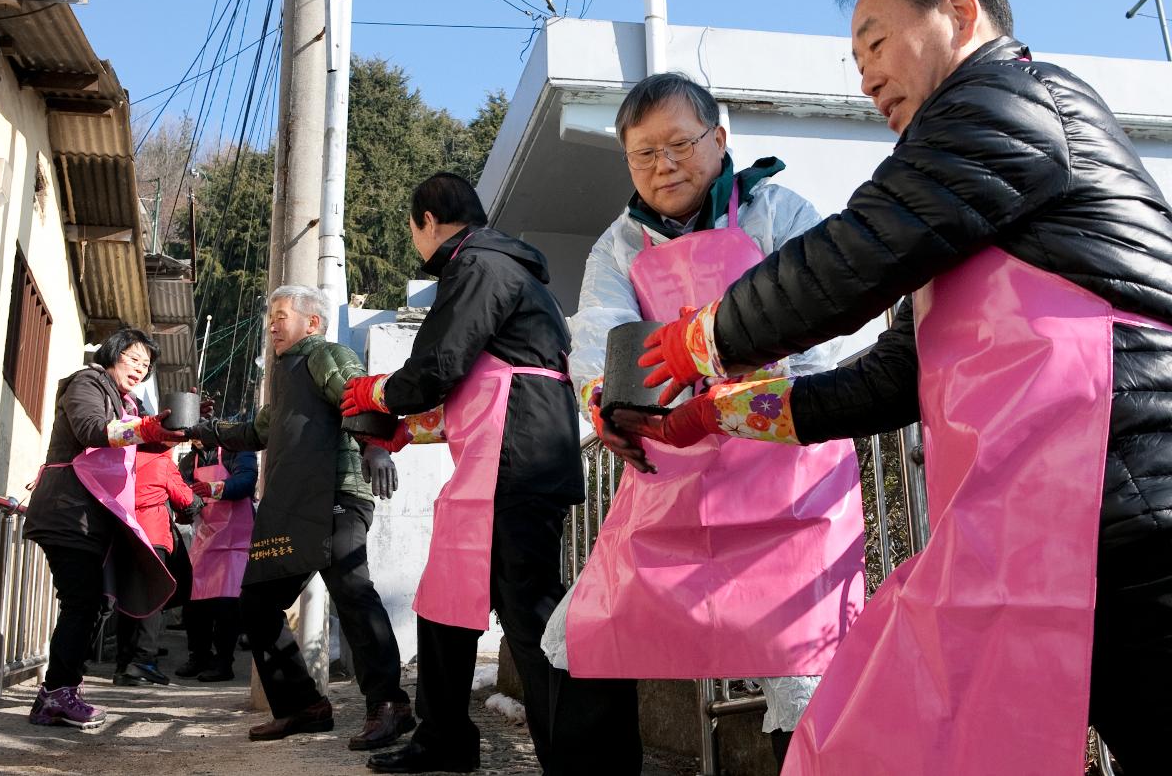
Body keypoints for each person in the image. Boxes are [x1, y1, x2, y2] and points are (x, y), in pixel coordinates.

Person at [626, 0, 1172, 776]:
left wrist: (705, 336)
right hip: (1069, 521)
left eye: (876, 42)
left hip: (1139, 498)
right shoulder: (971, 190)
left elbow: (859, 250)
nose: (866, 76)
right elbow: (894, 377)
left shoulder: (1008, 99)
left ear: (959, 12)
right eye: (856, 58)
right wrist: (723, 413)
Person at [560, 72, 865, 767]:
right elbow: (601, 333)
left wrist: (736, 387)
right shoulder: (617, 246)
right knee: (592, 631)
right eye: (644, 153)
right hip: (676, 470)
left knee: (810, 662)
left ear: (719, 139)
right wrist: (607, 403)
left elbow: (824, 315)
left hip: (789, 472)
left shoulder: (780, 211)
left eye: (679, 144)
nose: (663, 165)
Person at [342, 172, 643, 775]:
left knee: (532, 613)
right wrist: (413, 427)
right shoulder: (499, 267)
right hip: (506, 455)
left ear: (426, 220)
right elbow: (482, 385)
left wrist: (378, 391)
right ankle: (443, 738)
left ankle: (585, 761)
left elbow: (439, 366)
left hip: (515, 463)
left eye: (413, 229)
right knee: (443, 601)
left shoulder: (479, 267)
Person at [188, 286, 410, 750]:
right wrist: (200, 430)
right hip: (292, 507)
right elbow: (256, 430)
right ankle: (302, 706)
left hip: (336, 494)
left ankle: (389, 704)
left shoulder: (326, 354)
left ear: (311, 323)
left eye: (281, 315)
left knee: (351, 590)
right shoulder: (285, 375)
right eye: (270, 315)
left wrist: (376, 445)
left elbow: (357, 393)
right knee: (256, 602)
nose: (272, 323)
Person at [24, 328, 186, 729]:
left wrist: (176, 431)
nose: (139, 368)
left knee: (91, 604)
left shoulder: (124, 403)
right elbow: (91, 430)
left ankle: (60, 691)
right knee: (81, 602)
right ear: (112, 353)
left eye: (145, 365)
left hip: (90, 518)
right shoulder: (87, 382)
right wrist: (146, 429)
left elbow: (136, 442)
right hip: (67, 512)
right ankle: (57, 693)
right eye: (133, 358)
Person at [112, 442, 202, 686]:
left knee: (128, 600)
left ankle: (123, 664)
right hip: (152, 535)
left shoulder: (123, 459)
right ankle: (143, 661)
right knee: (152, 599)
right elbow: (186, 499)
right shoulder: (161, 463)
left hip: (125, 534)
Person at [175, 436, 258, 682]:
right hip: (206, 536)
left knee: (226, 604)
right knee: (195, 601)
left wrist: (213, 489)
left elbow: (245, 482)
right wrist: (185, 508)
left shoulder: (237, 448)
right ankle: (198, 656)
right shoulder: (191, 460)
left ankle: (224, 662)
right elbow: (182, 489)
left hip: (235, 540)